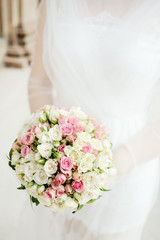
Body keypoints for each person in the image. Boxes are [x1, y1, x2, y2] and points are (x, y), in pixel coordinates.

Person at [16, 0, 160, 239]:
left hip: (131, 159)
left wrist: (113, 165)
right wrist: (49, 143)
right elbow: (39, 82)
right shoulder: (55, 5)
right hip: (58, 162)